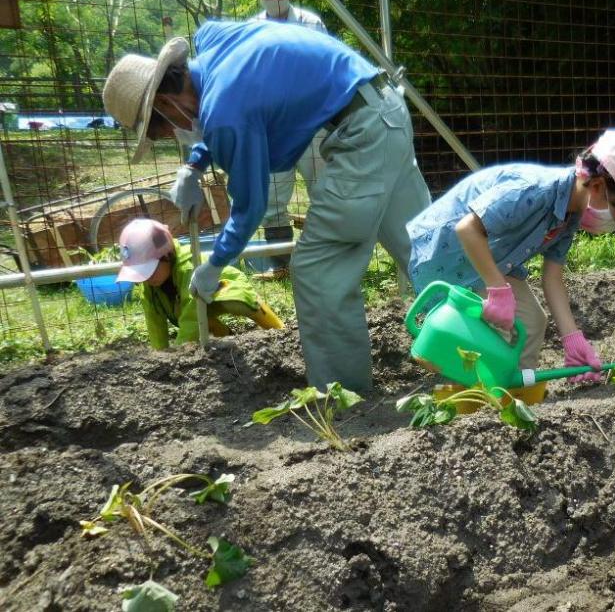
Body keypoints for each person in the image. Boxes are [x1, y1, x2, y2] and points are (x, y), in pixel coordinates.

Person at [101, 20, 431, 393]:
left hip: (363, 134)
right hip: (384, 109)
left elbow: (250, 207)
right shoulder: (216, 45)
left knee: (317, 271)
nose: (167, 136)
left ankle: (344, 399)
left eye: (158, 131)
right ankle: (489, 345)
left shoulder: (225, 113)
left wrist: (214, 266)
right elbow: (237, 104)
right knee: (423, 248)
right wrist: (195, 163)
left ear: (165, 102)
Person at [407, 129, 615, 406]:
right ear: (597, 186)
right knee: (491, 330)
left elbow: (552, 277)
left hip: (492, 257)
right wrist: (498, 289)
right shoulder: (533, 190)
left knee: (531, 320)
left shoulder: (570, 216)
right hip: (449, 254)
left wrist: (572, 338)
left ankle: (512, 396)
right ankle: (472, 392)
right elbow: (467, 229)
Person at [250, 0, 328, 276]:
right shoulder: (251, 31)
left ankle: (327, 256)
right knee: (272, 199)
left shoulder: (312, 23)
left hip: (312, 125)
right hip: (273, 130)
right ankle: (281, 263)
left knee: (324, 190)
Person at [115, 218, 283, 349]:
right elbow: (155, 322)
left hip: (223, 287)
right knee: (186, 309)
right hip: (197, 305)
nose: (146, 278)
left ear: (167, 255)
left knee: (237, 302)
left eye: (149, 270)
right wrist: (161, 356)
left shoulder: (188, 267)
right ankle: (224, 337)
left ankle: (280, 331)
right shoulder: (149, 285)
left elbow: (192, 317)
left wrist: (179, 354)